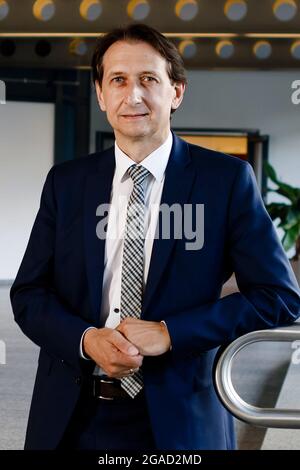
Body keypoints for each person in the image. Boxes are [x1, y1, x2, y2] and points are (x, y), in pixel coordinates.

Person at [10, 23, 300, 451]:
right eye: (118, 80)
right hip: (72, 418)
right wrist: (86, 340)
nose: (134, 96)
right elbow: (29, 293)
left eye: (149, 79)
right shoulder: (66, 183)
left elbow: (279, 296)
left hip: (181, 419)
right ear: (101, 93)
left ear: (176, 91)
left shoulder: (225, 181)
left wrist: (172, 332)